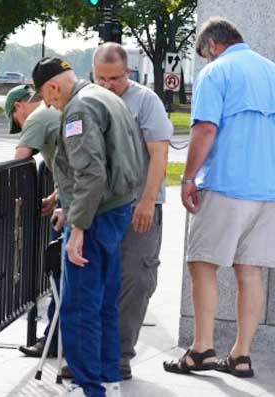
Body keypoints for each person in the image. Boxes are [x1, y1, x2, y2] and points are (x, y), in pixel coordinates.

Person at [164, 17, 275, 378]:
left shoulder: (217, 72)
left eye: (204, 54)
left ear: (212, 45)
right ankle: (241, 356)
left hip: (226, 184)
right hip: (267, 189)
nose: (206, 60)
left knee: (202, 263)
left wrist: (188, 177)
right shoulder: (271, 71)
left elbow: (206, 127)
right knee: (251, 270)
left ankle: (201, 349)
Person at [32, 57, 144, 397]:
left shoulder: (78, 110)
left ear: (53, 86)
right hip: (117, 209)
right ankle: (108, 378)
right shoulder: (104, 96)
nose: (50, 105)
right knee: (106, 301)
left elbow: (91, 173)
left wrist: (77, 226)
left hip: (95, 217)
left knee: (79, 305)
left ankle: (86, 385)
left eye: (47, 98)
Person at [92, 43, 172, 380]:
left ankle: (120, 354)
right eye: (102, 78)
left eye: (115, 78)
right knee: (95, 280)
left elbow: (159, 154)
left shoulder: (146, 101)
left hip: (139, 203)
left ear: (128, 72)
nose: (109, 85)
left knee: (135, 279)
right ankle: (88, 353)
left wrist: (147, 201)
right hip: (99, 206)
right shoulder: (89, 100)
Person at [4, 84, 62, 358]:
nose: (20, 124)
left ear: (18, 107)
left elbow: (19, 160)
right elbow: (74, 162)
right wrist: (54, 195)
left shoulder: (38, 115)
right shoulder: (53, 112)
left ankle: (55, 338)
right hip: (70, 195)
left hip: (76, 205)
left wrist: (3, 199)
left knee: (62, 271)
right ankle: (56, 335)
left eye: (16, 120)